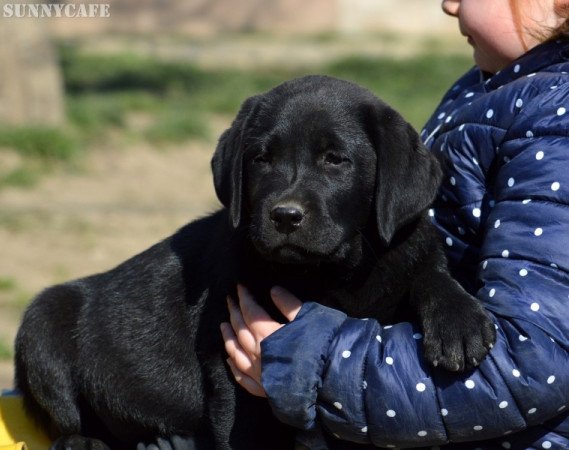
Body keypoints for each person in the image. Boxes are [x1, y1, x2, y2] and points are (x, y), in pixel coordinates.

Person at [220, 0, 569, 448]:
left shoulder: (557, 122)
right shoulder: (492, 85)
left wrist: (313, 365)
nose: (449, 4)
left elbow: (533, 360)